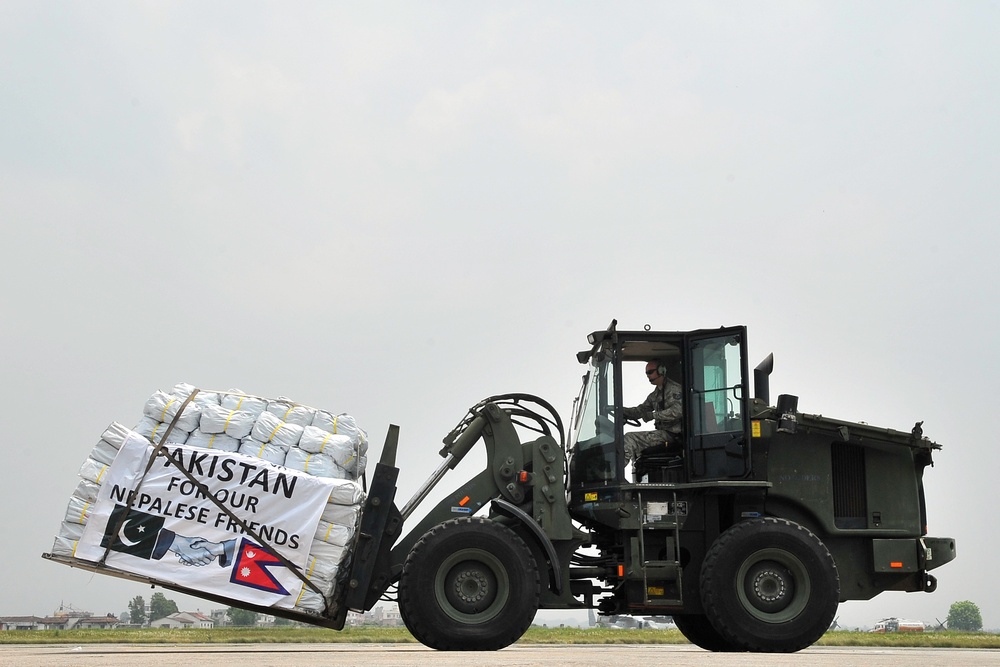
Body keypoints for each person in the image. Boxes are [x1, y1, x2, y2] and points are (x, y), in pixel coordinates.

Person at [622, 361, 683, 462]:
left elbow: (678, 411)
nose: (648, 376)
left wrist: (654, 416)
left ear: (661, 370)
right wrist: (620, 410)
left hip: (673, 435)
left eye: (650, 372)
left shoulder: (675, 390)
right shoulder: (655, 395)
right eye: (646, 373)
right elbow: (640, 411)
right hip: (663, 434)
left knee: (630, 439)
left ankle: (615, 472)